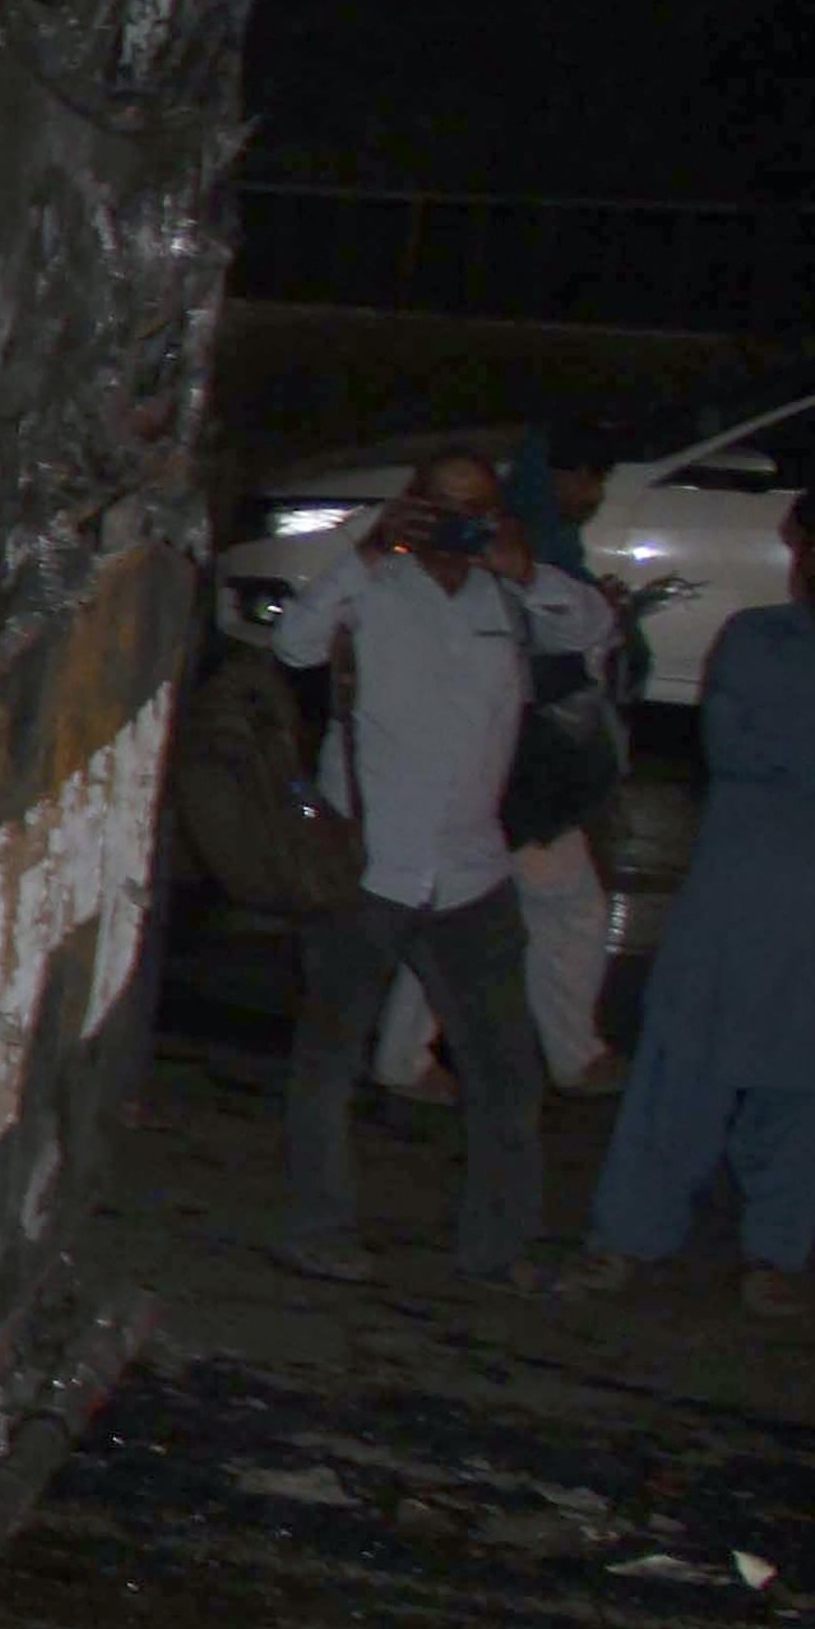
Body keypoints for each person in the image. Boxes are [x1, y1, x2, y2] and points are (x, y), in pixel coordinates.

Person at [276, 446, 607, 1288]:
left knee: (505, 1074)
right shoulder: (375, 586)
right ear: (412, 505)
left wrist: (524, 568)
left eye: (478, 509)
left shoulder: (509, 595)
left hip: (471, 871)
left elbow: (593, 630)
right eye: (443, 506)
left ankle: (497, 1248)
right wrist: (371, 548)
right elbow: (295, 642)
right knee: (329, 1064)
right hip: (368, 867)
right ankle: (320, 1226)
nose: (459, 525)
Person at [580, 489, 815, 1318]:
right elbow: (741, 750)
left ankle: (775, 1251)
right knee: (685, 1069)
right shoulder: (761, 637)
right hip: (739, 899)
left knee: (804, 1088)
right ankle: (628, 1236)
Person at [371, 417, 632, 1098]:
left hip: (508, 768)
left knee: (481, 909)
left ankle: (417, 1056)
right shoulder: (468, 558)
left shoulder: (526, 552)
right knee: (536, 907)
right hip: (501, 771)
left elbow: (577, 625)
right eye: (586, 477)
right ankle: (561, 1054)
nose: (594, 493)